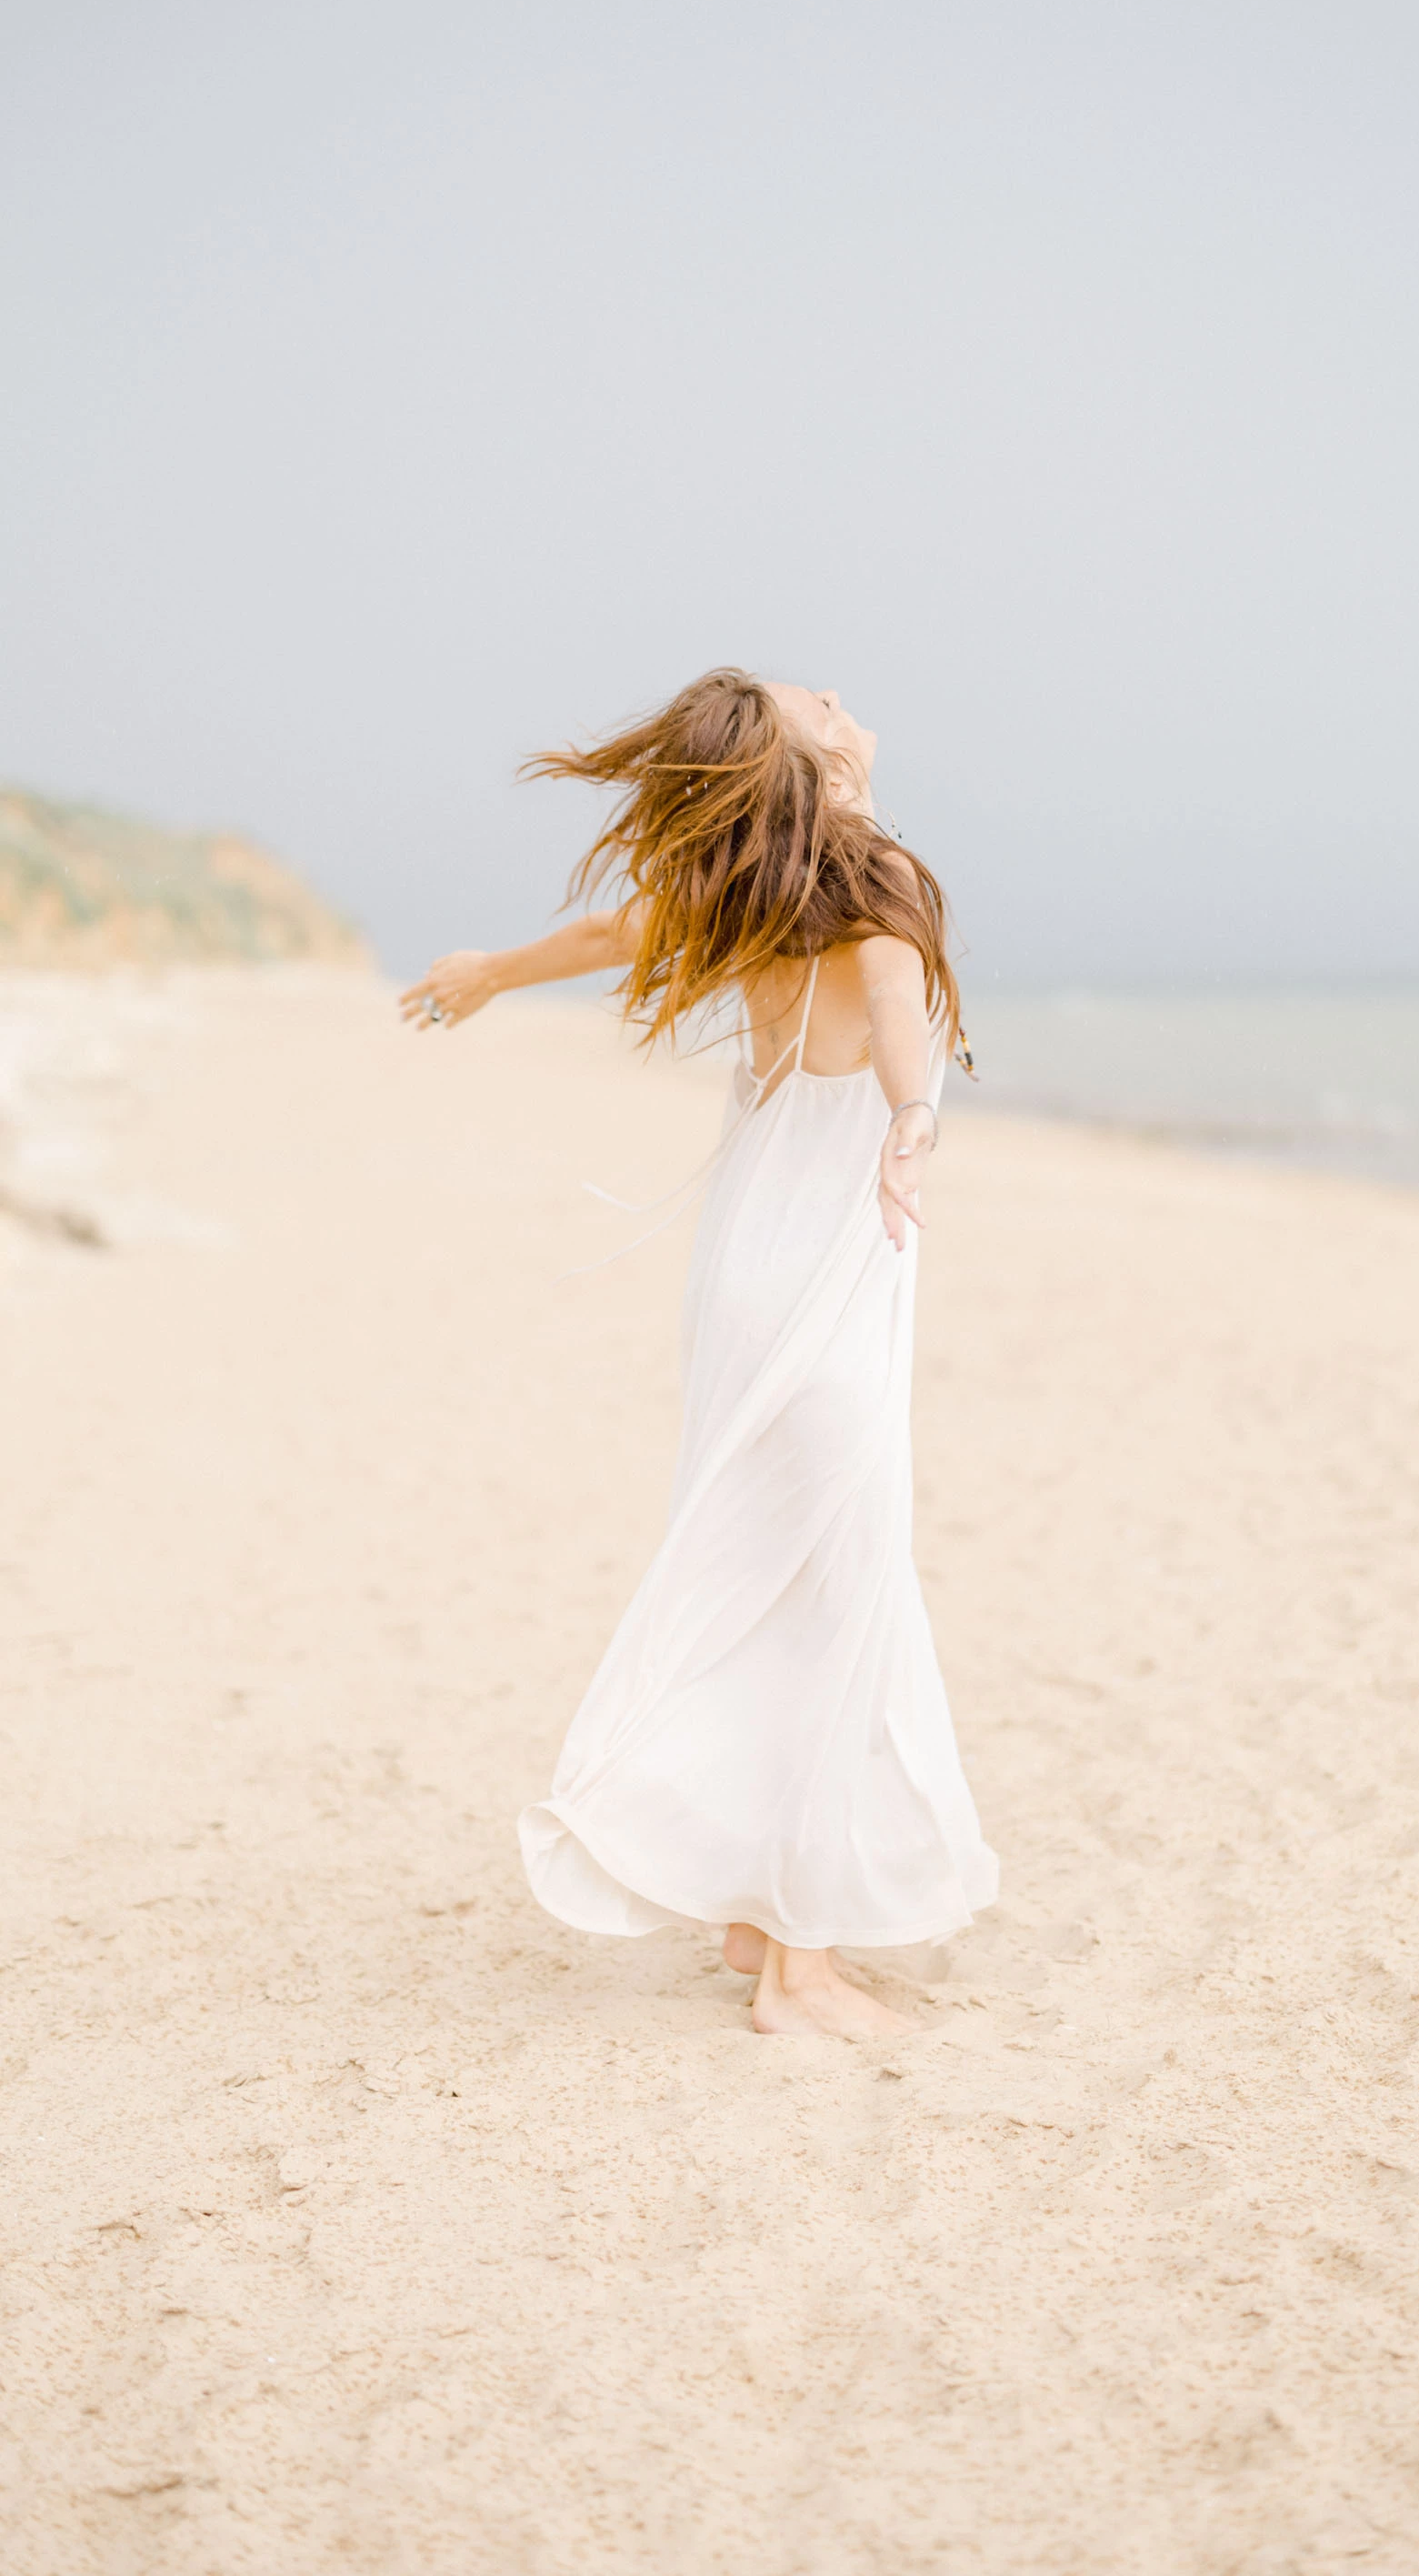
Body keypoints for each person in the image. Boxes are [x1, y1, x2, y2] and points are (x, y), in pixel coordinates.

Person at [400, 669, 997, 2039]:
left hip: (747, 1268)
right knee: (839, 1591)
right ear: (817, 758)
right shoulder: (877, 883)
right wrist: (915, 1123)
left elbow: (620, 929)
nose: (846, 698)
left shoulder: (763, 896)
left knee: (785, 1575)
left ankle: (753, 1908)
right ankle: (798, 1971)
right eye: (822, 700)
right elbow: (900, 1009)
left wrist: (490, 971)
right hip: (827, 1273)